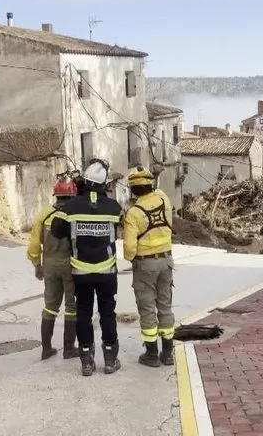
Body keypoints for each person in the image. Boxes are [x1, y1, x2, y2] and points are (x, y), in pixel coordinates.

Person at [50, 159, 123, 376]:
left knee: (83, 313)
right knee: (107, 312)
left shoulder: (70, 207)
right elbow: (121, 223)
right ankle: (110, 359)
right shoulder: (114, 207)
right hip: (107, 272)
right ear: (104, 184)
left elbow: (56, 231)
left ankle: (86, 361)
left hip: (80, 272)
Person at [122, 166, 176, 367]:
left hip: (145, 265)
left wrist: (132, 257)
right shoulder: (164, 200)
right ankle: (168, 354)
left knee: (147, 309)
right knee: (165, 306)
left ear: (132, 190)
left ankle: (152, 355)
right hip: (166, 262)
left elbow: (129, 249)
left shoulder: (134, 214)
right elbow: (158, 190)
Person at [27, 179, 79, 361]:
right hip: (71, 266)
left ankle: (46, 348)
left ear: (56, 195)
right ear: (73, 195)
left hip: (49, 265)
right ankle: (69, 348)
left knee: (50, 306)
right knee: (72, 307)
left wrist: (37, 264)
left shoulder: (44, 214)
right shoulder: (75, 213)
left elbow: (34, 243)